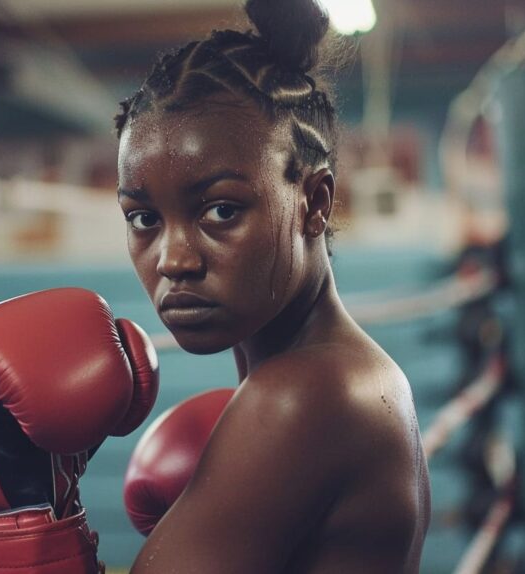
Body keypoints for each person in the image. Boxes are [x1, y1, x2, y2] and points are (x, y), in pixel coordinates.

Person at [114, 0, 431, 571]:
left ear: (314, 203)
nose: (174, 260)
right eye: (143, 218)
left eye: (220, 210)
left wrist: (31, 510)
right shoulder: (356, 372)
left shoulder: (303, 395)